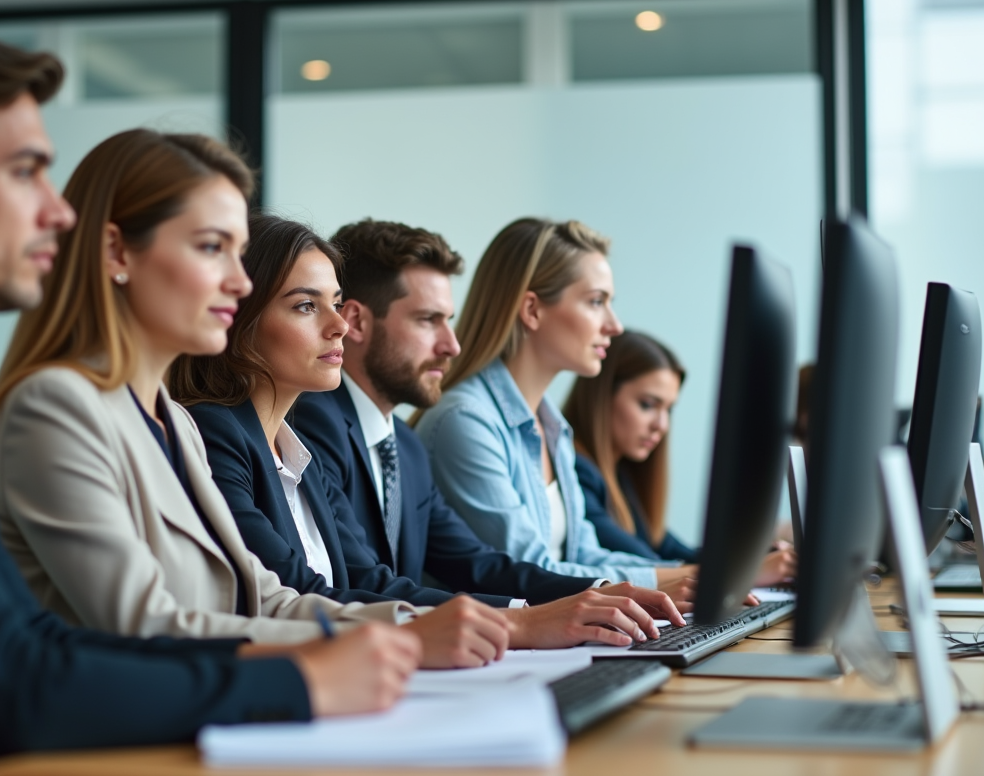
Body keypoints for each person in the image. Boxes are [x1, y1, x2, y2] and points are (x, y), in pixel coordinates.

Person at [0, 21, 416, 776]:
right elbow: (5, 674)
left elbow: (25, 643)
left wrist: (363, 647)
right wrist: (301, 677)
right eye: (26, 171)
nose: (57, 211)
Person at [0, 129, 423, 647]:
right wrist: (384, 645)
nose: (239, 283)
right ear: (117, 252)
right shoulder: (55, 407)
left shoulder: (176, 422)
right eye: (212, 247)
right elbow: (146, 626)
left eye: (237, 253)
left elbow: (265, 598)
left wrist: (410, 629)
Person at [172, 215, 679, 659]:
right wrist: (520, 622)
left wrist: (580, 601)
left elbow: (369, 580)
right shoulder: (221, 435)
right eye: (307, 306)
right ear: (238, 317)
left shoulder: (302, 449)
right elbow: (299, 594)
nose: (338, 327)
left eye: (336, 304)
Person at [290, 218, 691, 632]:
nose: (452, 344)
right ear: (356, 322)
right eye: (428, 320)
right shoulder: (313, 424)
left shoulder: (404, 445)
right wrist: (524, 621)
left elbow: (476, 563)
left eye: (449, 319)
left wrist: (602, 591)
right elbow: (365, 583)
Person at [412, 218, 706, 601]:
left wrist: (692, 578)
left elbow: (584, 554)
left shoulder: (553, 427)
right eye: (596, 302)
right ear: (532, 310)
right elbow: (531, 572)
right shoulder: (465, 422)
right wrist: (689, 578)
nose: (614, 325)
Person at [563, 330, 797, 585]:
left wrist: (756, 558)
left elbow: (675, 551)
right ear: (601, 397)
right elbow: (646, 562)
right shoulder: (575, 470)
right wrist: (746, 571)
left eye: (668, 410)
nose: (661, 425)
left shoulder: (620, 475)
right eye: (648, 405)